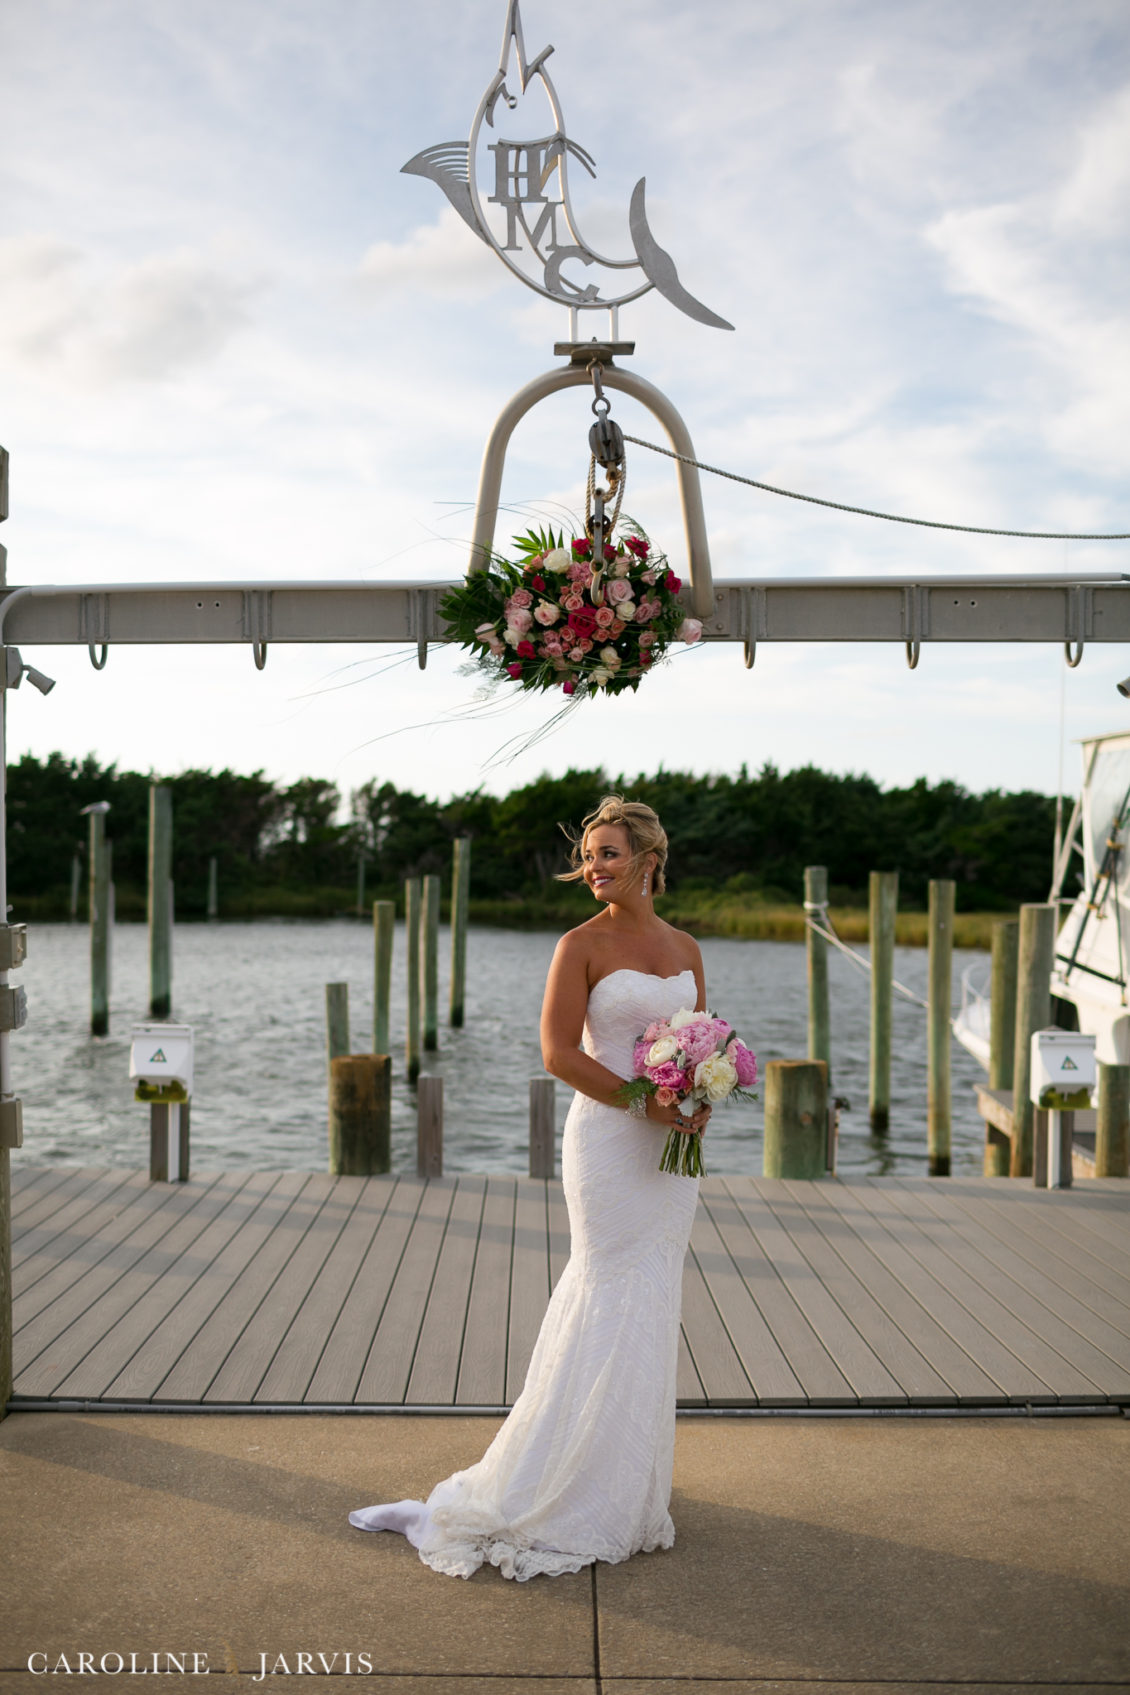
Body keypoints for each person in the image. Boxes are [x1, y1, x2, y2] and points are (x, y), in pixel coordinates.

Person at [348, 795, 710, 1580]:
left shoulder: (684, 947)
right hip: (611, 1141)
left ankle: (623, 1482)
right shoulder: (577, 944)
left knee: (652, 1297)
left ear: (649, 860)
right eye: (588, 854)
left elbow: (700, 1040)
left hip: (668, 1155)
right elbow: (557, 1052)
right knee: (606, 1288)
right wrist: (640, 1101)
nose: (594, 866)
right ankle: (538, 1483)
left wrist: (696, 1097)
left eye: (610, 852)